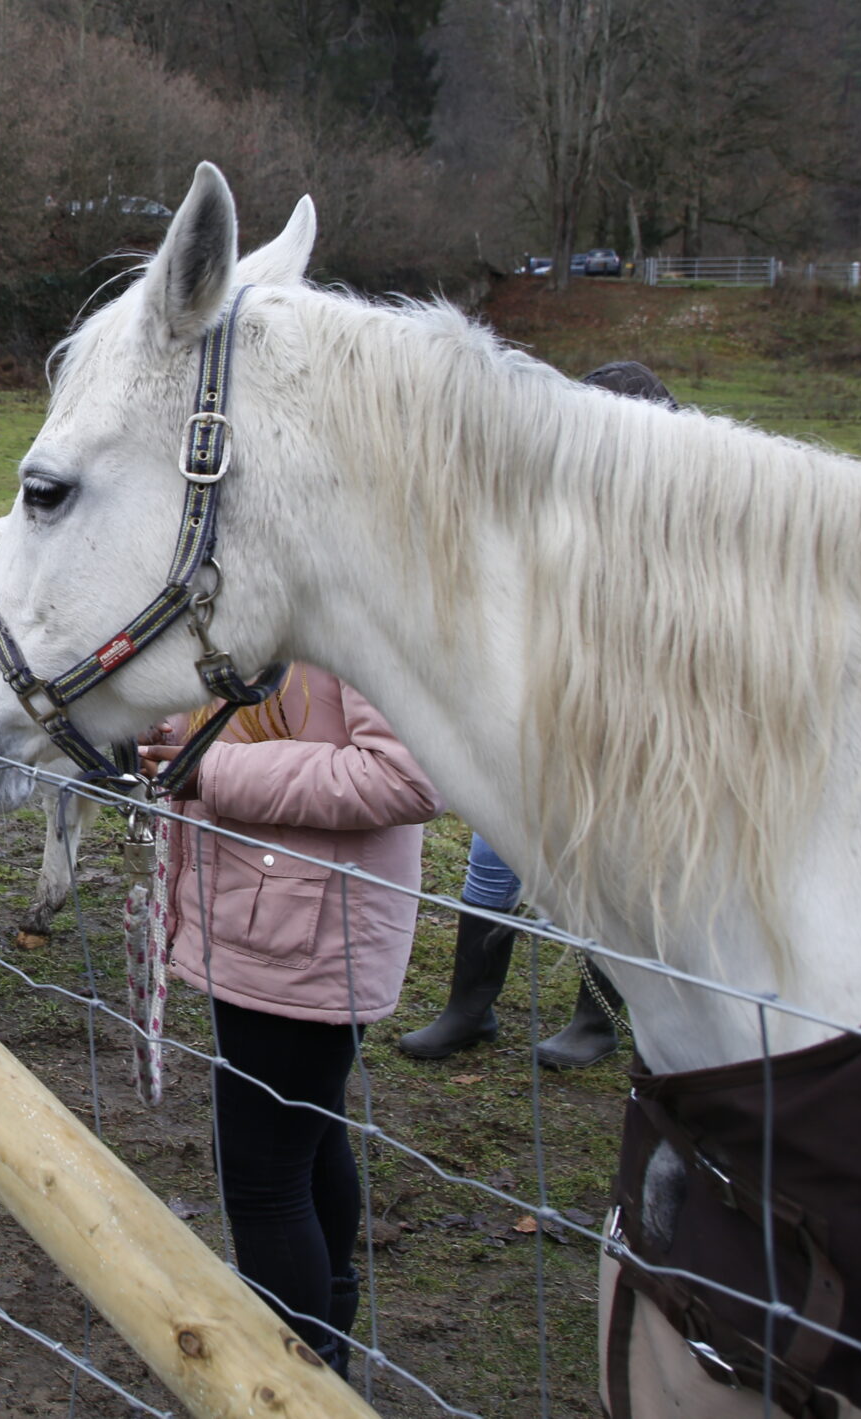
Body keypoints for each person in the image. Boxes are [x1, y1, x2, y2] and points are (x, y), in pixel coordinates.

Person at [142, 668, 440, 1378]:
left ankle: (296, 1378)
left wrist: (210, 767)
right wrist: (191, 734)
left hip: (305, 930)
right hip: (272, 917)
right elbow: (299, 724)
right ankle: (327, 1346)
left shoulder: (362, 599)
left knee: (262, 1174)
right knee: (305, 1139)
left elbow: (407, 774)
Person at [396, 359, 680, 1070]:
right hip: (531, 715)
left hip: (619, 729)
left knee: (604, 874)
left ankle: (597, 1018)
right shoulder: (547, 507)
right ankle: (470, 1005)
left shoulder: (670, 528)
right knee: (494, 853)